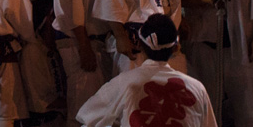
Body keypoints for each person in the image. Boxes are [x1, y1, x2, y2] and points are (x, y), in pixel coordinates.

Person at [76, 14, 216, 127]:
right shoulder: (196, 88)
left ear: (140, 45)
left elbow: (86, 116)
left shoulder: (124, 83)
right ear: (176, 48)